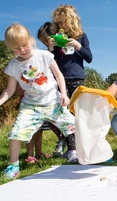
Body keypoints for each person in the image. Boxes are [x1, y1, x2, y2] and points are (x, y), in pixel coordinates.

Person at [0, 23, 76, 180]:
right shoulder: (13, 65)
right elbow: (10, 89)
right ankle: (13, 167)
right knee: (15, 134)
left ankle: (90, 153)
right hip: (30, 107)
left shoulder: (44, 55)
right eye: (16, 48)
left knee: (76, 126)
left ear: (30, 40)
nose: (21, 50)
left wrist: (64, 94)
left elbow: (59, 75)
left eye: (24, 45)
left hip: (53, 103)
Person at [48, 5, 93, 159]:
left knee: (78, 113)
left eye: (65, 22)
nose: (62, 25)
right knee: (62, 113)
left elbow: (89, 58)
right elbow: (49, 61)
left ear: (73, 20)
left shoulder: (81, 36)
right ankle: (71, 147)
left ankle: (81, 145)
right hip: (59, 79)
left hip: (77, 78)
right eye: (59, 23)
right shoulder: (55, 38)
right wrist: (50, 48)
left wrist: (78, 46)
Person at [37, 22, 67, 157]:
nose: (45, 42)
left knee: (67, 116)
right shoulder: (46, 52)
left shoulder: (64, 45)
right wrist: (49, 48)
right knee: (51, 117)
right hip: (53, 88)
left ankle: (68, 142)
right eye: (42, 41)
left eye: (46, 39)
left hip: (67, 82)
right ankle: (62, 138)